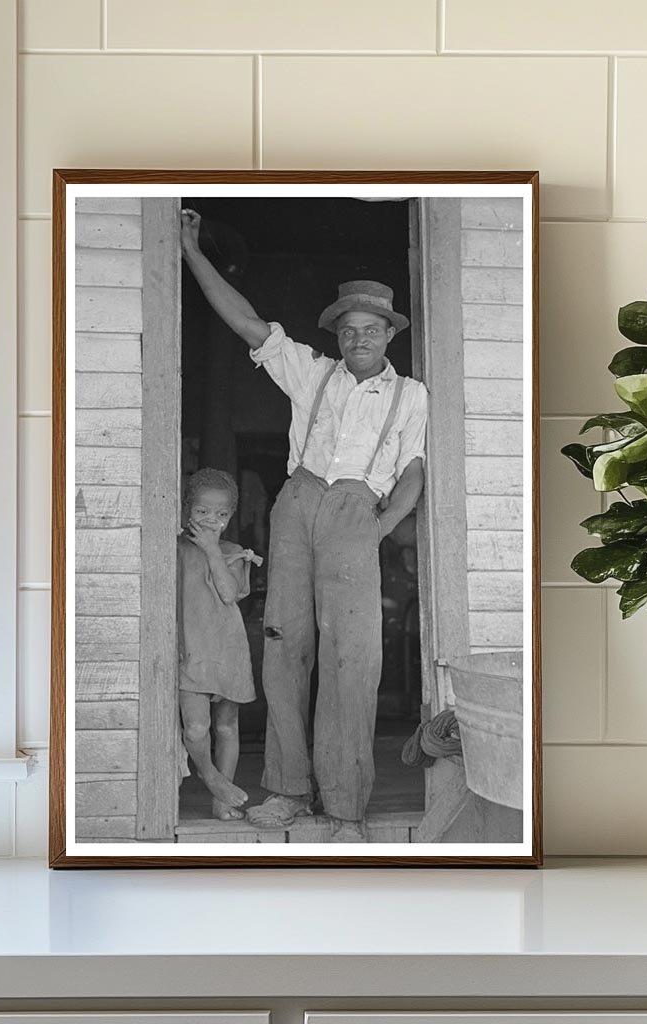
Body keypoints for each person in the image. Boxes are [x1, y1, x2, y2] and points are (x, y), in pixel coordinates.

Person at [180, 209, 428, 842]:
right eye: (349, 330)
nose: (360, 340)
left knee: (354, 661)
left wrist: (377, 528)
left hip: (358, 515)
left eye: (371, 329)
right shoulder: (312, 373)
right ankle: (288, 792)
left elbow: (413, 473)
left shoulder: (412, 397)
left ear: (388, 335)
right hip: (297, 505)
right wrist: (190, 251)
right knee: (285, 650)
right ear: (338, 335)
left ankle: (346, 807)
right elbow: (244, 322)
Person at [177, 467, 263, 821]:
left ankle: (222, 800)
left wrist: (214, 550)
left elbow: (229, 594)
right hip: (190, 650)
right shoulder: (173, 549)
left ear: (230, 516)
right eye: (202, 512)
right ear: (186, 510)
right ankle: (210, 777)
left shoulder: (233, 552)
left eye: (221, 514)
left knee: (227, 727)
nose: (211, 519)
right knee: (197, 727)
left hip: (227, 650)